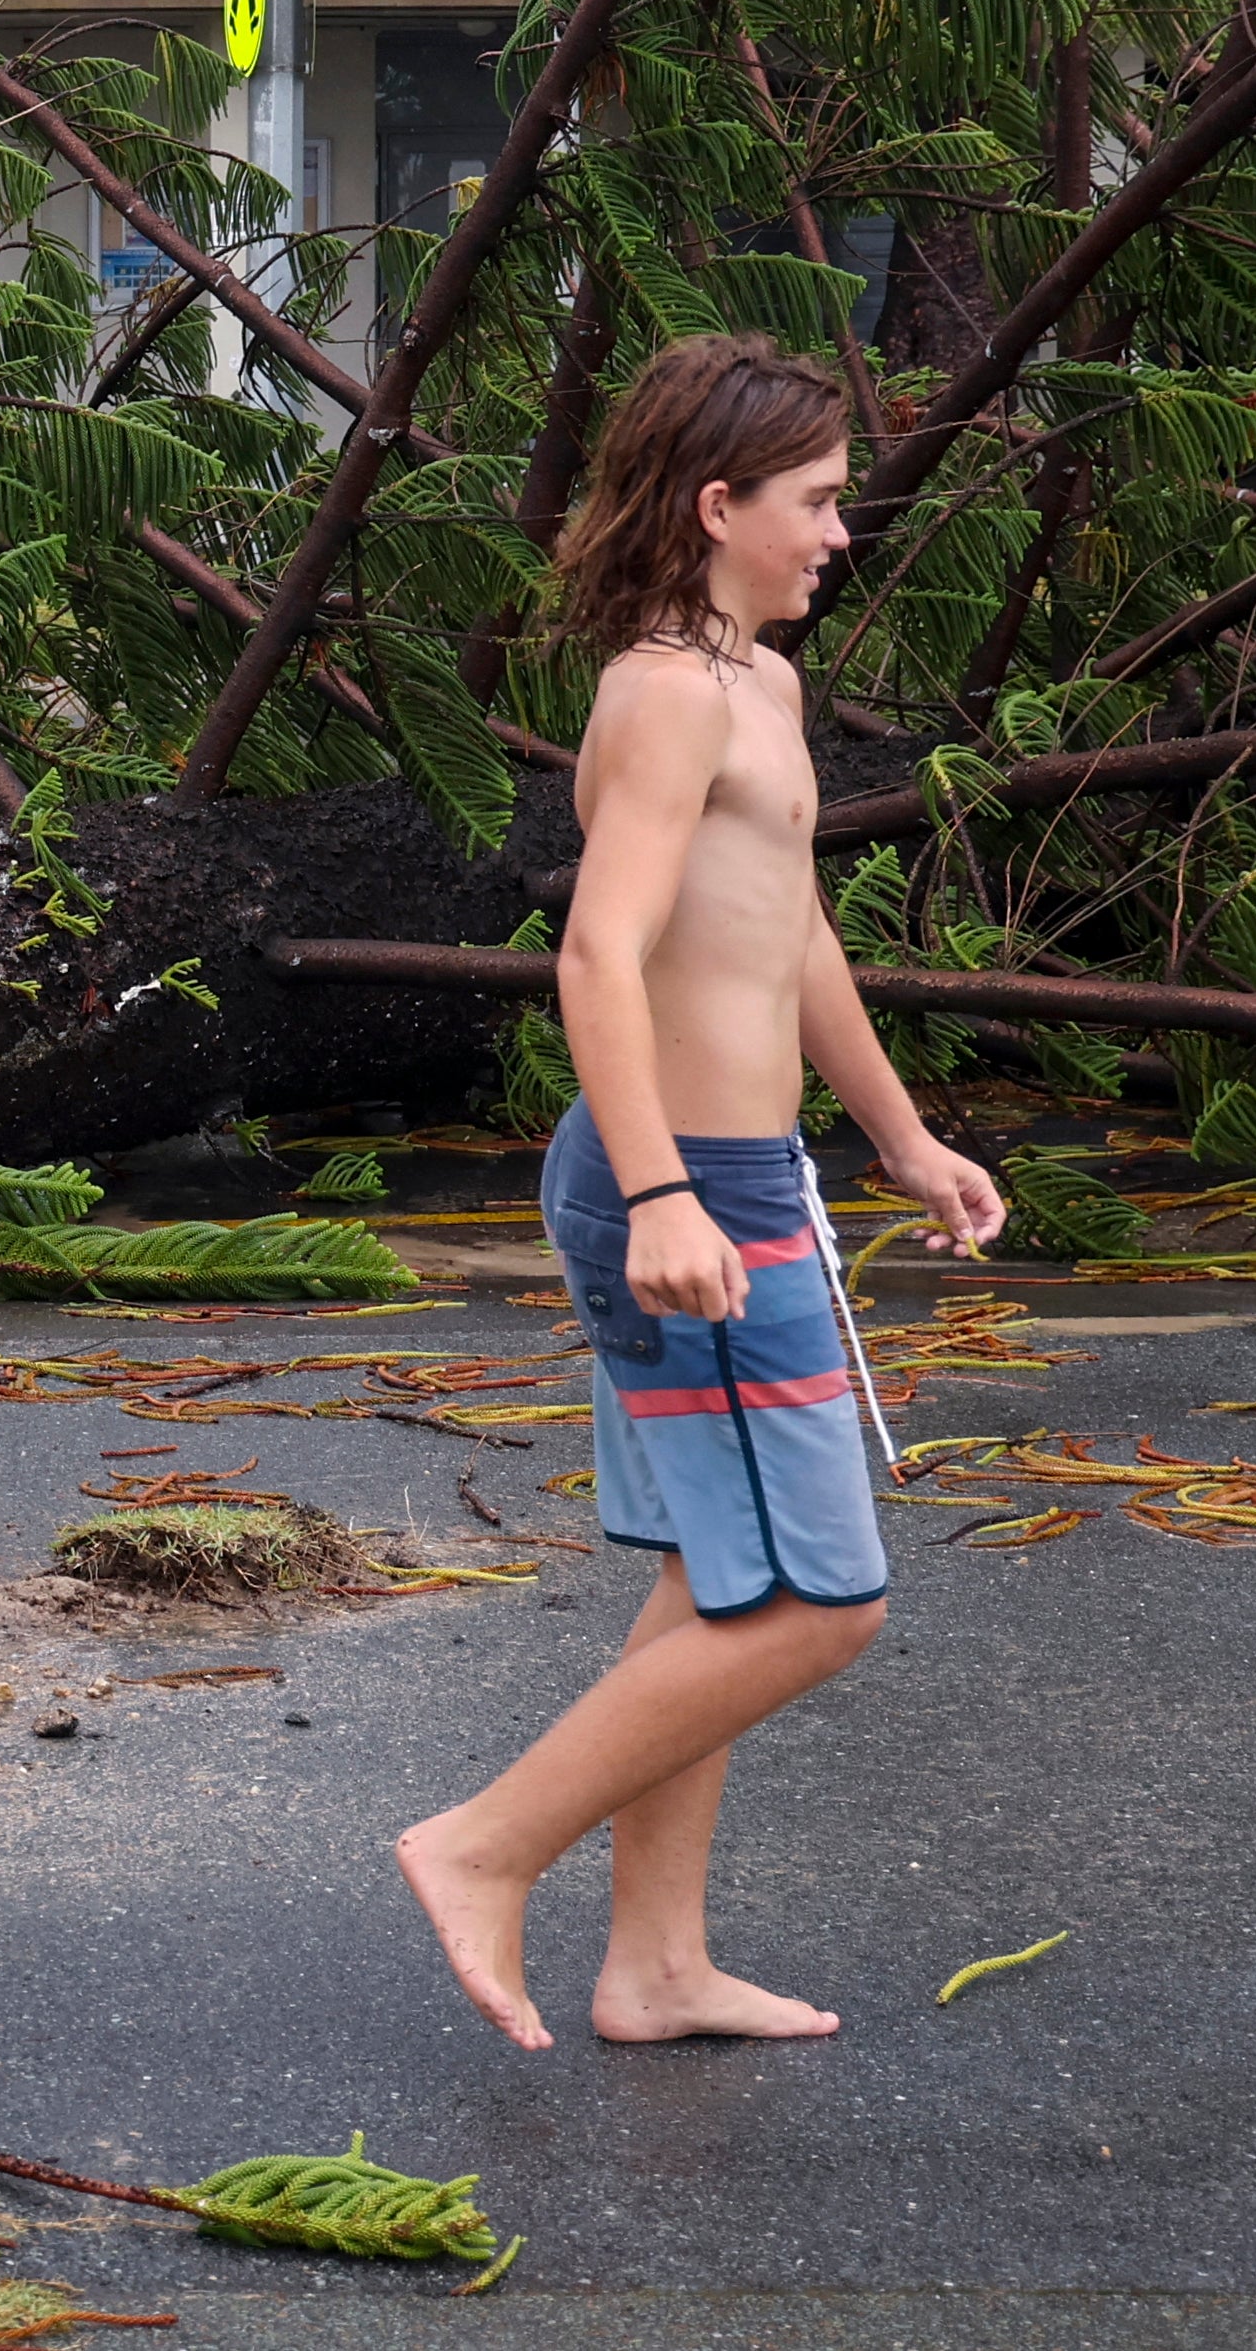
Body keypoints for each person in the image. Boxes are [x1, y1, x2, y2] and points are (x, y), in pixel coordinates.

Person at [394, 332, 1004, 2049]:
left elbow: (794, 934)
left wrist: (897, 1136)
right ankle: (483, 1846)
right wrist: (665, 1199)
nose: (840, 534)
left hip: (753, 1171)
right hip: (687, 1188)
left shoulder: (764, 686)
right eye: (814, 503)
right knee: (825, 1598)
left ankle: (655, 1966)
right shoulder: (663, 690)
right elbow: (598, 953)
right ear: (716, 502)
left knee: (718, 1576)